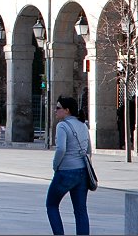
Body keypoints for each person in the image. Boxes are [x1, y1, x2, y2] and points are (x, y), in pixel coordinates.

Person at [46, 95, 92, 235]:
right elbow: (89, 150)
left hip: (66, 171)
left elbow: (61, 149)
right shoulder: (83, 125)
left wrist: (56, 165)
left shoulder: (62, 126)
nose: (55, 110)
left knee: (51, 204)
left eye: (58, 108)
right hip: (82, 171)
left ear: (67, 110)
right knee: (80, 210)